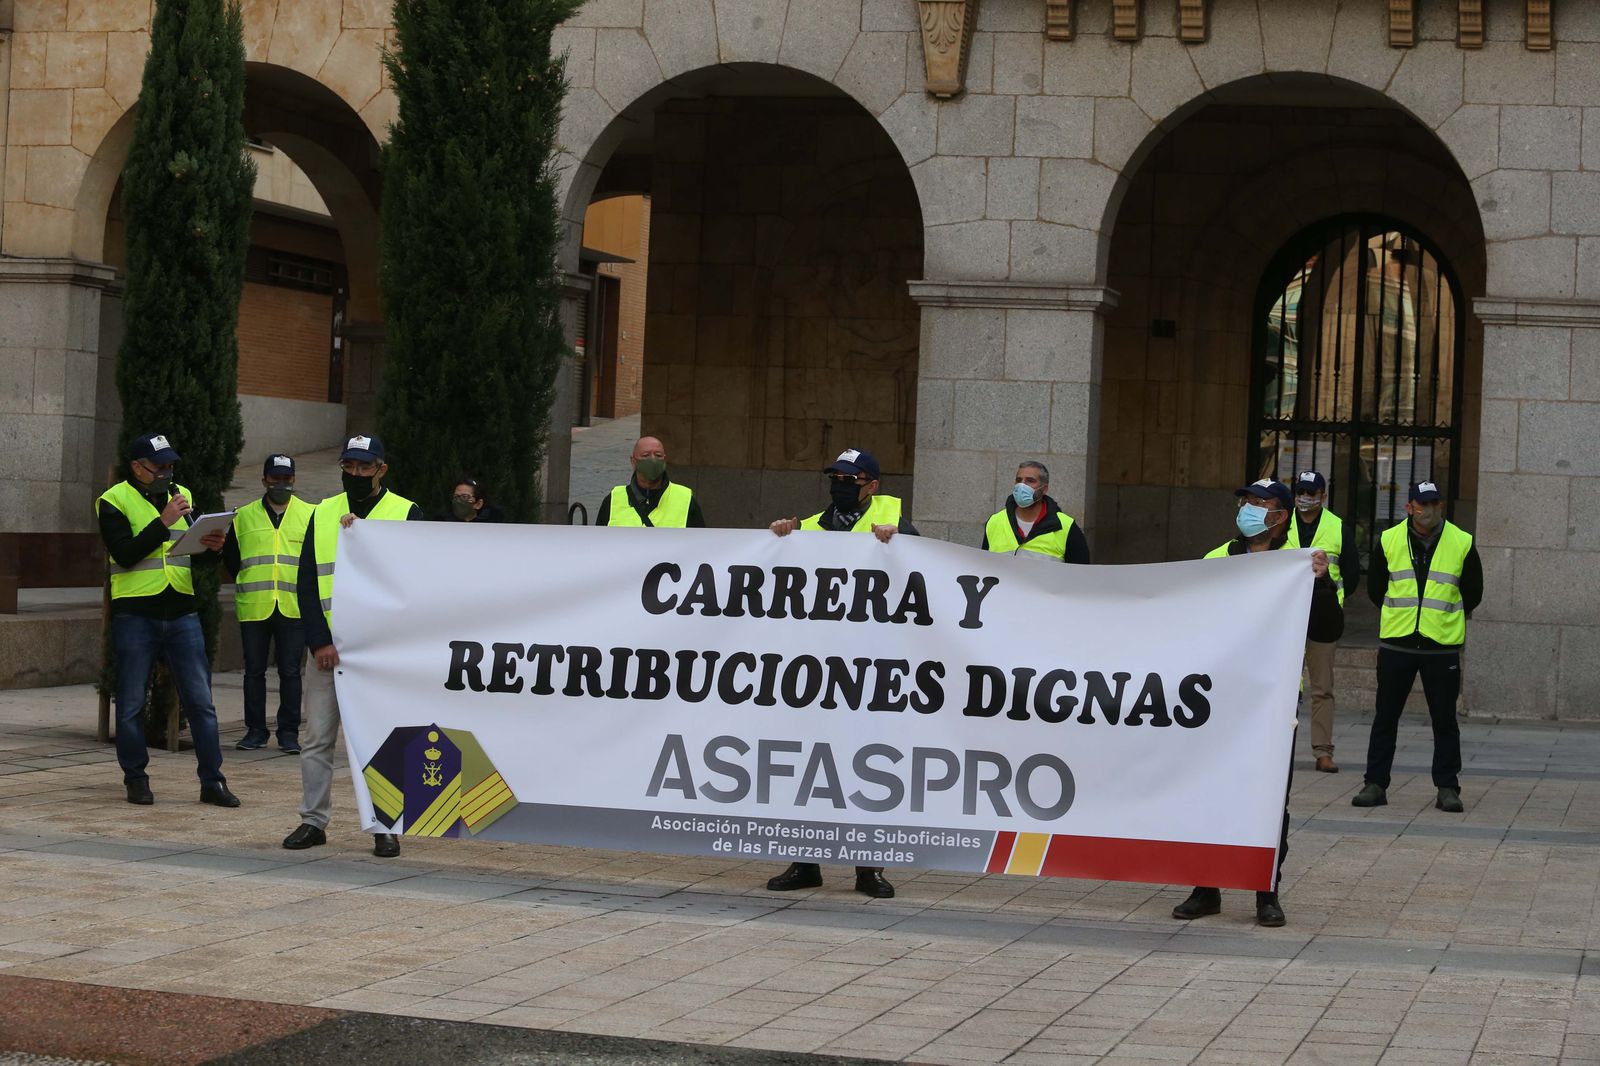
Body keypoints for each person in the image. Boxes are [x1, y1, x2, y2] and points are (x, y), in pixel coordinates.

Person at [1180, 477, 1341, 927]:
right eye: (1247, 501)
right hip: (1217, 699)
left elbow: (1328, 630)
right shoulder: (1217, 559)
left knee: (1269, 799)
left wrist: (1323, 583)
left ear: (1280, 516)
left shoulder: (1299, 565)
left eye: (1260, 503)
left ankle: (1265, 891)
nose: (1250, 508)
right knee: (1208, 791)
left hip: (1272, 702)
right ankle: (1205, 887)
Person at [765, 447, 914, 899]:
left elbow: (923, 569)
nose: (841, 487)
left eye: (851, 480)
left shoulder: (894, 520)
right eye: (836, 478)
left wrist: (901, 539)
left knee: (866, 768)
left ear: (873, 485)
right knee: (809, 768)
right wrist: (779, 537)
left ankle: (868, 870)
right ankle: (805, 862)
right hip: (817, 670)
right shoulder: (811, 527)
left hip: (867, 670)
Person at [282, 435, 421, 857]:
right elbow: (307, 580)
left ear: (382, 469)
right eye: (349, 466)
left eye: (365, 467)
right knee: (317, 739)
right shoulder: (322, 512)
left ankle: (385, 825)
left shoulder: (406, 512)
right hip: (330, 648)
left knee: (380, 741)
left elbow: (417, 580)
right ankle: (313, 821)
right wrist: (319, 640)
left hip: (380, 653)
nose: (356, 474)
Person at [97, 432, 239, 808]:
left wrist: (212, 547)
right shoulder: (113, 501)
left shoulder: (184, 496)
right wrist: (163, 521)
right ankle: (136, 779)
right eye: (159, 467)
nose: (166, 473)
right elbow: (125, 554)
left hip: (181, 611)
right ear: (136, 467)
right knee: (129, 703)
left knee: (201, 702)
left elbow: (191, 556)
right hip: (136, 614)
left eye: (170, 466)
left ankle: (213, 781)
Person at [1352, 481, 1483, 814]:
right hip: (1399, 643)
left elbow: (1473, 592)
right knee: (1386, 717)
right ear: (1409, 507)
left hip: (1441, 646)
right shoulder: (1390, 540)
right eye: (1423, 504)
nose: (1430, 510)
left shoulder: (1462, 541)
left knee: (1444, 720)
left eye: (1435, 503)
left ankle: (1447, 787)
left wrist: (1442, 620)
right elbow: (1377, 588)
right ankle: (1375, 783)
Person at [223, 453, 311, 754]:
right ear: (264, 480)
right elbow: (232, 560)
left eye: (287, 479)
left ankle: (288, 734)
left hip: (293, 605)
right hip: (255, 604)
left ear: (294, 480)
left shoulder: (311, 514)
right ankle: (255, 731)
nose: (281, 484)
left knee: (290, 672)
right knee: (254, 672)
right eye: (276, 479)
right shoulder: (243, 516)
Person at [1285, 471, 1362, 773]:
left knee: (1322, 687)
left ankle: (1322, 751)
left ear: (1323, 496)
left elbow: (1353, 575)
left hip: (1324, 615)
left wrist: (1331, 589)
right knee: (1284, 687)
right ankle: (1279, 748)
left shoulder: (1337, 527)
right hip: (1287, 616)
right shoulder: (1281, 523)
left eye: (1312, 492)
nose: (1306, 498)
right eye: (1301, 491)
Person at [980, 460, 1091, 563]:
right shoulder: (994, 522)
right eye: (1018, 480)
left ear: (1044, 489)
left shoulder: (1066, 526)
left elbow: (1080, 575)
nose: (1022, 486)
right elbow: (985, 567)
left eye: (1030, 481)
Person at [596, 436, 706, 527]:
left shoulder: (685, 499)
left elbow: (699, 544)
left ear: (664, 460)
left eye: (658, 455)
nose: (653, 460)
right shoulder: (613, 499)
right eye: (645, 455)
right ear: (633, 461)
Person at [437, 477, 504, 523]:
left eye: (465, 496)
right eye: (456, 496)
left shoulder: (490, 525)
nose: (458, 500)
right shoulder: (444, 522)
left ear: (478, 504)